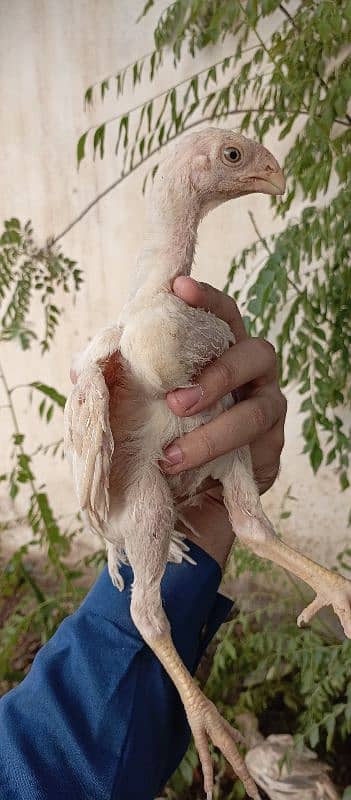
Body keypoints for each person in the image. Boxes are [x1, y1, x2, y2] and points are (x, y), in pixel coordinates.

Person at [0, 278, 286, 800]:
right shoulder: (104, 363)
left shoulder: (170, 323)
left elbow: (50, 762)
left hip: (177, 514)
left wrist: (211, 512)